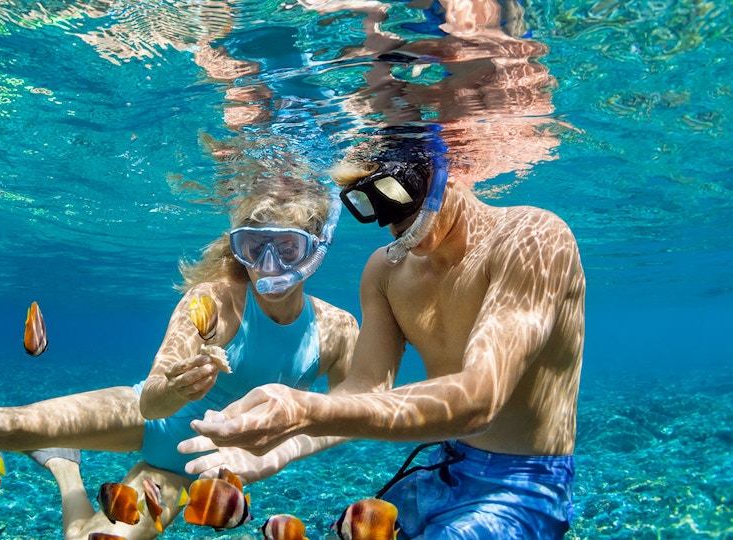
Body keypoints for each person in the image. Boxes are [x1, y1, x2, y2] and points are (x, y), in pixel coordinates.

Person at [0, 177, 359, 540]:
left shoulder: (336, 329)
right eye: (254, 248)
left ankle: (64, 468)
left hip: (186, 470)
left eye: (289, 248)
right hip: (143, 413)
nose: (270, 267)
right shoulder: (214, 301)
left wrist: (278, 449)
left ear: (317, 252)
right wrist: (177, 387)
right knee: (10, 422)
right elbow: (154, 395)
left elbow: (353, 410)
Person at [180, 131, 585, 539]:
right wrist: (283, 448)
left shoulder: (533, 237)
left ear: (448, 168)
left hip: (523, 482)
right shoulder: (385, 271)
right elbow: (365, 387)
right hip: (443, 463)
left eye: (399, 192)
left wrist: (306, 412)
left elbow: (481, 399)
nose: (393, 223)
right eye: (371, 204)